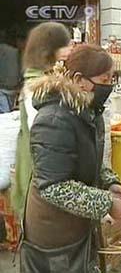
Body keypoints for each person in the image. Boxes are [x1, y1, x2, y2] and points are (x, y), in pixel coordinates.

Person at [20, 45, 121, 272]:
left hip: (78, 223)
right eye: (104, 79)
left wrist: (110, 183)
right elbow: (53, 187)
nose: (110, 86)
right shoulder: (53, 119)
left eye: (113, 78)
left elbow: (88, 158)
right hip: (54, 234)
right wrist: (107, 203)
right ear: (79, 79)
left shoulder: (89, 110)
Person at [12, 22, 73, 219]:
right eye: (65, 45)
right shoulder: (35, 85)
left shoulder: (48, 77)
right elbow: (41, 131)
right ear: (48, 50)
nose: (70, 49)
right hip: (38, 167)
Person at [0, 30, 20, 113]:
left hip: (4, 87)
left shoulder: (13, 52)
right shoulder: (16, 52)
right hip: (13, 87)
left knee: (6, 114)